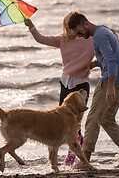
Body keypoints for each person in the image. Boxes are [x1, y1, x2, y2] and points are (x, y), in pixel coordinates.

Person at [67, 12, 119, 168]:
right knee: (107, 119)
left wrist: (110, 87)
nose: (80, 36)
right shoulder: (103, 31)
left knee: (92, 119)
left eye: (79, 32)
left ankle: (85, 160)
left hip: (111, 81)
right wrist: (94, 64)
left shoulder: (99, 36)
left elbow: (112, 60)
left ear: (85, 24)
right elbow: (108, 58)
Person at [24, 11, 95, 165]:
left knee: (76, 123)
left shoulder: (90, 39)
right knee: (61, 121)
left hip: (81, 85)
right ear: (65, 27)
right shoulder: (62, 40)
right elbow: (40, 39)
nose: (70, 30)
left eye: (72, 27)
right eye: (67, 27)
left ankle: (71, 158)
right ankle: (55, 159)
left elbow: (107, 43)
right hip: (65, 83)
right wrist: (31, 27)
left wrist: (112, 33)